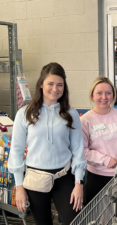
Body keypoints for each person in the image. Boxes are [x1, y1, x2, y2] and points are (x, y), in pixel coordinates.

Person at [8, 63, 87, 225]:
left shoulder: (70, 113)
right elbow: (16, 151)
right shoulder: (25, 113)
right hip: (35, 179)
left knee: (76, 221)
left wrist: (78, 183)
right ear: (41, 84)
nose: (55, 89)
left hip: (64, 177)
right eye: (50, 83)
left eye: (60, 85)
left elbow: (78, 150)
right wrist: (19, 186)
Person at [80, 77, 117, 205]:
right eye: (99, 93)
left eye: (108, 93)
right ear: (92, 95)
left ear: (113, 95)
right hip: (97, 177)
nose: (104, 97)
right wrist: (105, 160)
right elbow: (82, 151)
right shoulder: (85, 120)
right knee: (97, 217)